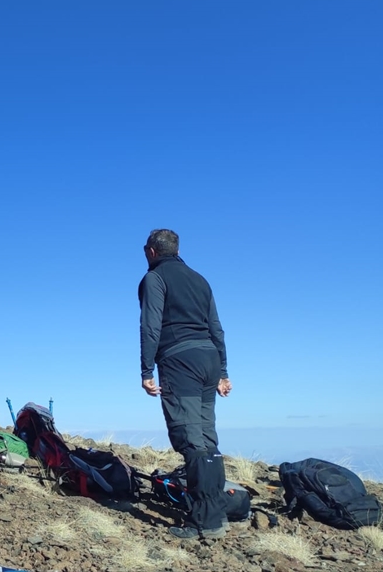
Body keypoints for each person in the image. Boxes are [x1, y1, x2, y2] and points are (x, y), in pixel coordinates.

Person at [139, 229, 233, 540]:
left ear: (151, 251)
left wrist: (146, 370)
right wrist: (223, 371)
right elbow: (216, 327)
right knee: (207, 436)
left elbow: (151, 325)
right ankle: (215, 513)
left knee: (191, 439)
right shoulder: (200, 279)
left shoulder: (155, 279)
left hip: (181, 362)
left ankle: (204, 521)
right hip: (208, 360)